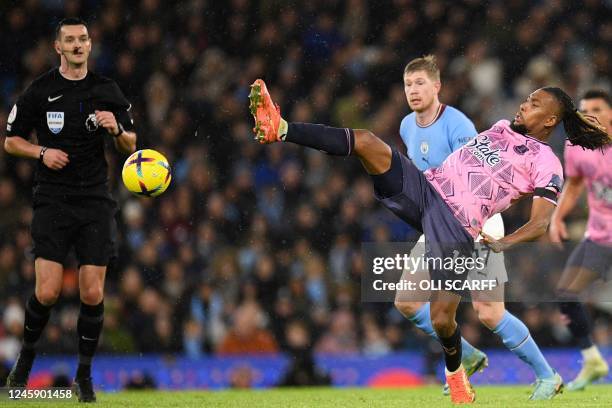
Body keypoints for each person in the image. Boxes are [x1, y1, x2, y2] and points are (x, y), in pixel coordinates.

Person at [249, 78, 609, 403]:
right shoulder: (500, 128)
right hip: (427, 192)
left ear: (549, 121)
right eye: (526, 99)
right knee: (367, 141)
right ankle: (279, 128)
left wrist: (503, 243)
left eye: (533, 105)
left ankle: (471, 371)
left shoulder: (546, 162)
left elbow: (540, 224)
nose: (523, 105)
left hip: (459, 228)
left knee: (448, 318)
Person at [395, 55, 559, 398]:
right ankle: (466, 355)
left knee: (489, 312)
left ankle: (547, 375)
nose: (413, 90)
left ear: (437, 86)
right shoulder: (406, 126)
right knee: (407, 301)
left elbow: (480, 179)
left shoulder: (459, 125)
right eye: (409, 84)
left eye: (420, 83)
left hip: (477, 223)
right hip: (439, 218)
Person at [4, 18, 137, 402]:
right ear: (57, 47)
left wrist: (117, 130)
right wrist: (41, 152)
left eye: (83, 39)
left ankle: (83, 377)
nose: (78, 45)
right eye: (70, 40)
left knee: (92, 292)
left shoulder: (106, 90)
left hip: (95, 200)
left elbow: (131, 145)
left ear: (90, 45)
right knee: (46, 292)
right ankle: (25, 363)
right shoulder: (41, 90)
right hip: (53, 199)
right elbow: (11, 141)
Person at [549, 89, 612, 391]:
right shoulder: (575, 145)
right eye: (585, 110)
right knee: (565, 293)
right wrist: (558, 217)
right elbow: (574, 184)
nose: (591, 115)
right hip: (600, 237)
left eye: (598, 109)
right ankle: (592, 361)